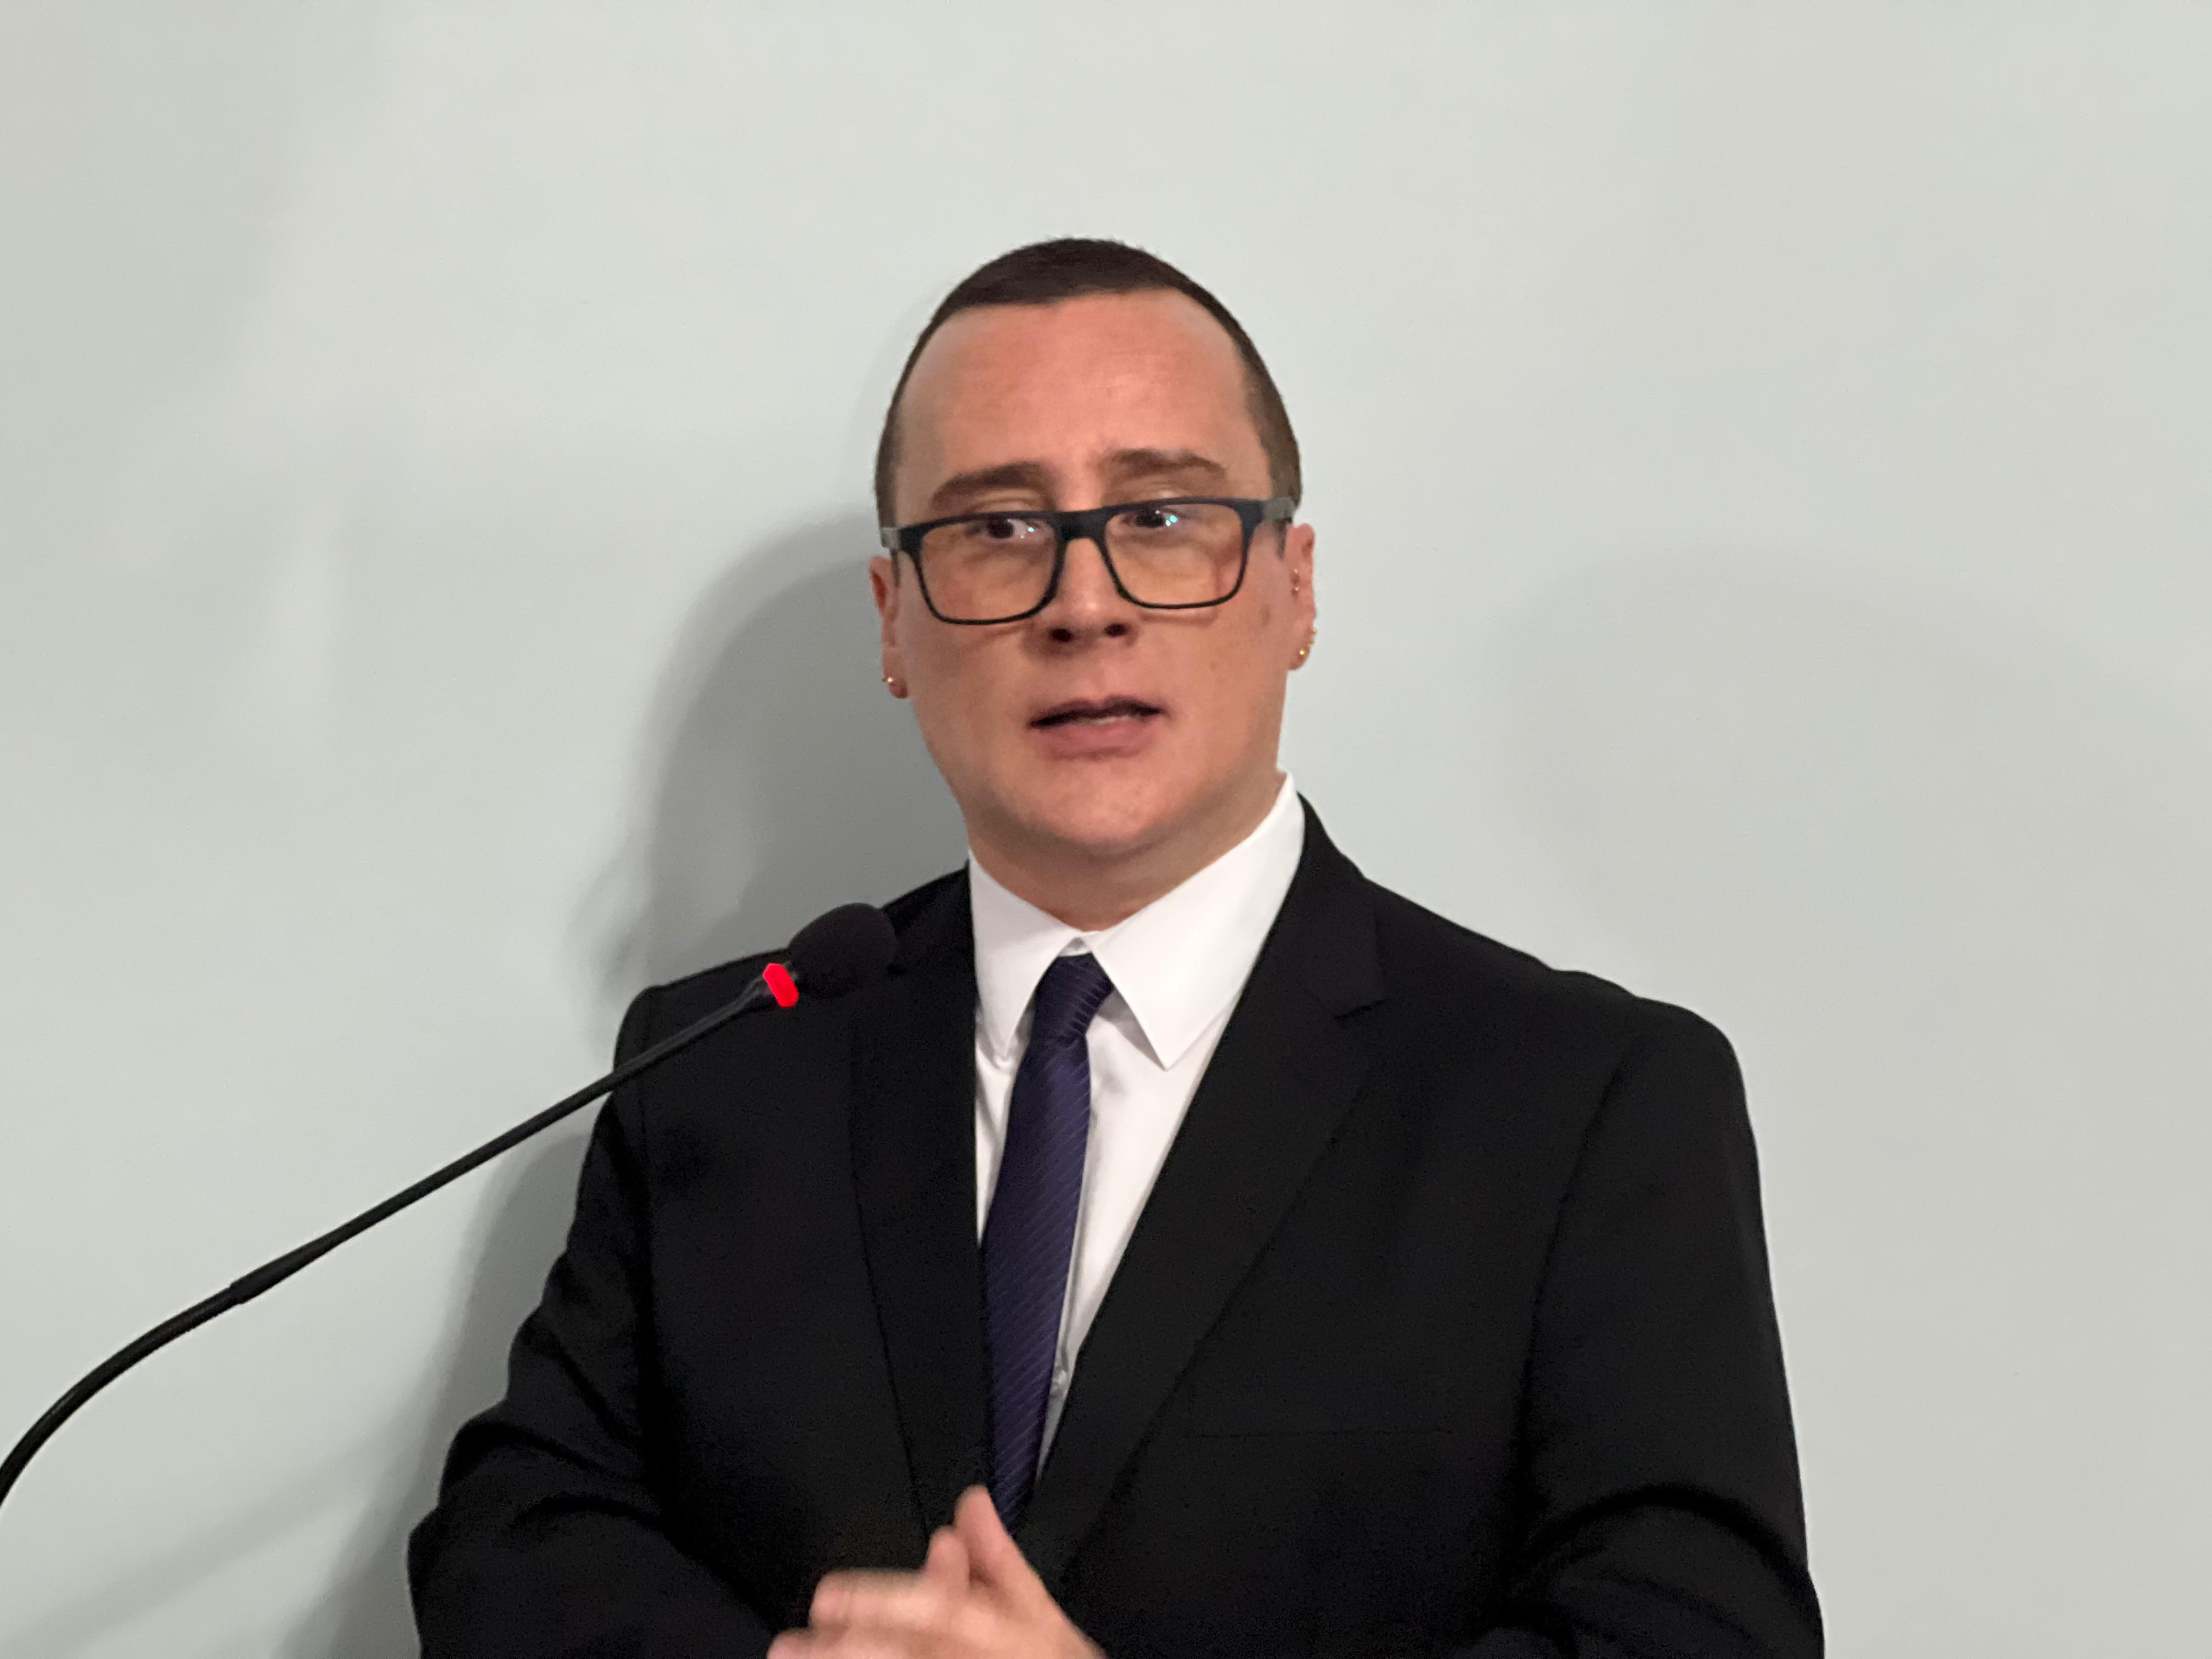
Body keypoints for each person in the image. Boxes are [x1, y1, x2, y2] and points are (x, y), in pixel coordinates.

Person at [408, 239, 1822, 1658]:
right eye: (998, 528)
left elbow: (1700, 1634)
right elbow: (512, 1539)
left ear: (1294, 588)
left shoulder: (1586, 1101)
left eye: (1161, 515)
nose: (1083, 603)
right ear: (894, 621)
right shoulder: (724, 1067)